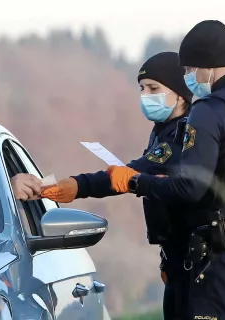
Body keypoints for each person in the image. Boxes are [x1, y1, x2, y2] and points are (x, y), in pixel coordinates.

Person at [107, 20, 225, 320]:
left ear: (208, 66)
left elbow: (189, 187)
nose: (189, 78)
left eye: (189, 70)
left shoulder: (209, 110)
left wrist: (137, 182)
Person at [40, 52, 195, 319]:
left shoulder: (183, 133)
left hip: (193, 259)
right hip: (176, 255)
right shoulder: (163, 129)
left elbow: (134, 173)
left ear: (180, 94)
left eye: (154, 88)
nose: (146, 95)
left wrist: (79, 185)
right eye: (142, 88)